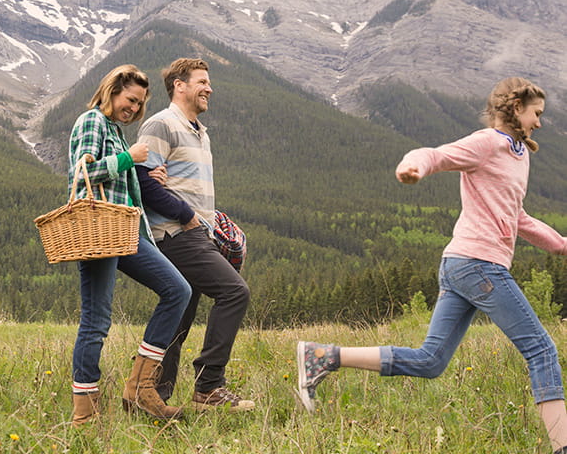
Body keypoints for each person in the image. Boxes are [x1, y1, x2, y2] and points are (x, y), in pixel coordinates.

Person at [296, 77, 567, 454]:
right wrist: (413, 167)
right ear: (516, 107)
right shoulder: (488, 142)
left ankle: (324, 356)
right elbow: (436, 154)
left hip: (461, 266)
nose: (539, 122)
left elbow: (518, 216)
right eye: (536, 114)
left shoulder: (518, 155)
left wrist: (560, 245)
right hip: (479, 265)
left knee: (431, 360)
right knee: (541, 349)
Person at [67, 64, 192, 425]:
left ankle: (140, 387)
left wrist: (145, 174)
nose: (134, 109)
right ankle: (84, 414)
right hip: (99, 229)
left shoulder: (114, 131)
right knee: (96, 321)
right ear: (113, 90)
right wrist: (128, 158)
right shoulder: (91, 121)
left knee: (177, 290)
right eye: (130, 100)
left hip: (128, 232)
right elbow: (82, 174)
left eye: (139, 105)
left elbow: (117, 175)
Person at [135, 58, 254, 411]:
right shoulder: (161, 124)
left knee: (181, 314)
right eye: (202, 81)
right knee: (234, 292)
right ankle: (210, 386)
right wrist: (187, 216)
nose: (209, 88)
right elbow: (142, 182)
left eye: (209, 82)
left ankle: (154, 394)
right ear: (179, 86)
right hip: (174, 233)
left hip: (198, 233)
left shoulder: (200, 132)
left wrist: (211, 221)